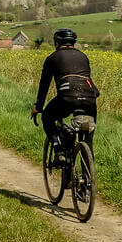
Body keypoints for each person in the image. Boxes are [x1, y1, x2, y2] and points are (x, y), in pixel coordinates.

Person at [31, 28, 99, 161]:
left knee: (47, 116)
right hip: (90, 99)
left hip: (67, 97)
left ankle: (59, 151)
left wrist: (38, 107)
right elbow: (89, 82)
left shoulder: (52, 58)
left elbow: (44, 85)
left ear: (57, 43)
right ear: (73, 42)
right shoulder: (83, 56)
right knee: (88, 135)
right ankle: (88, 175)